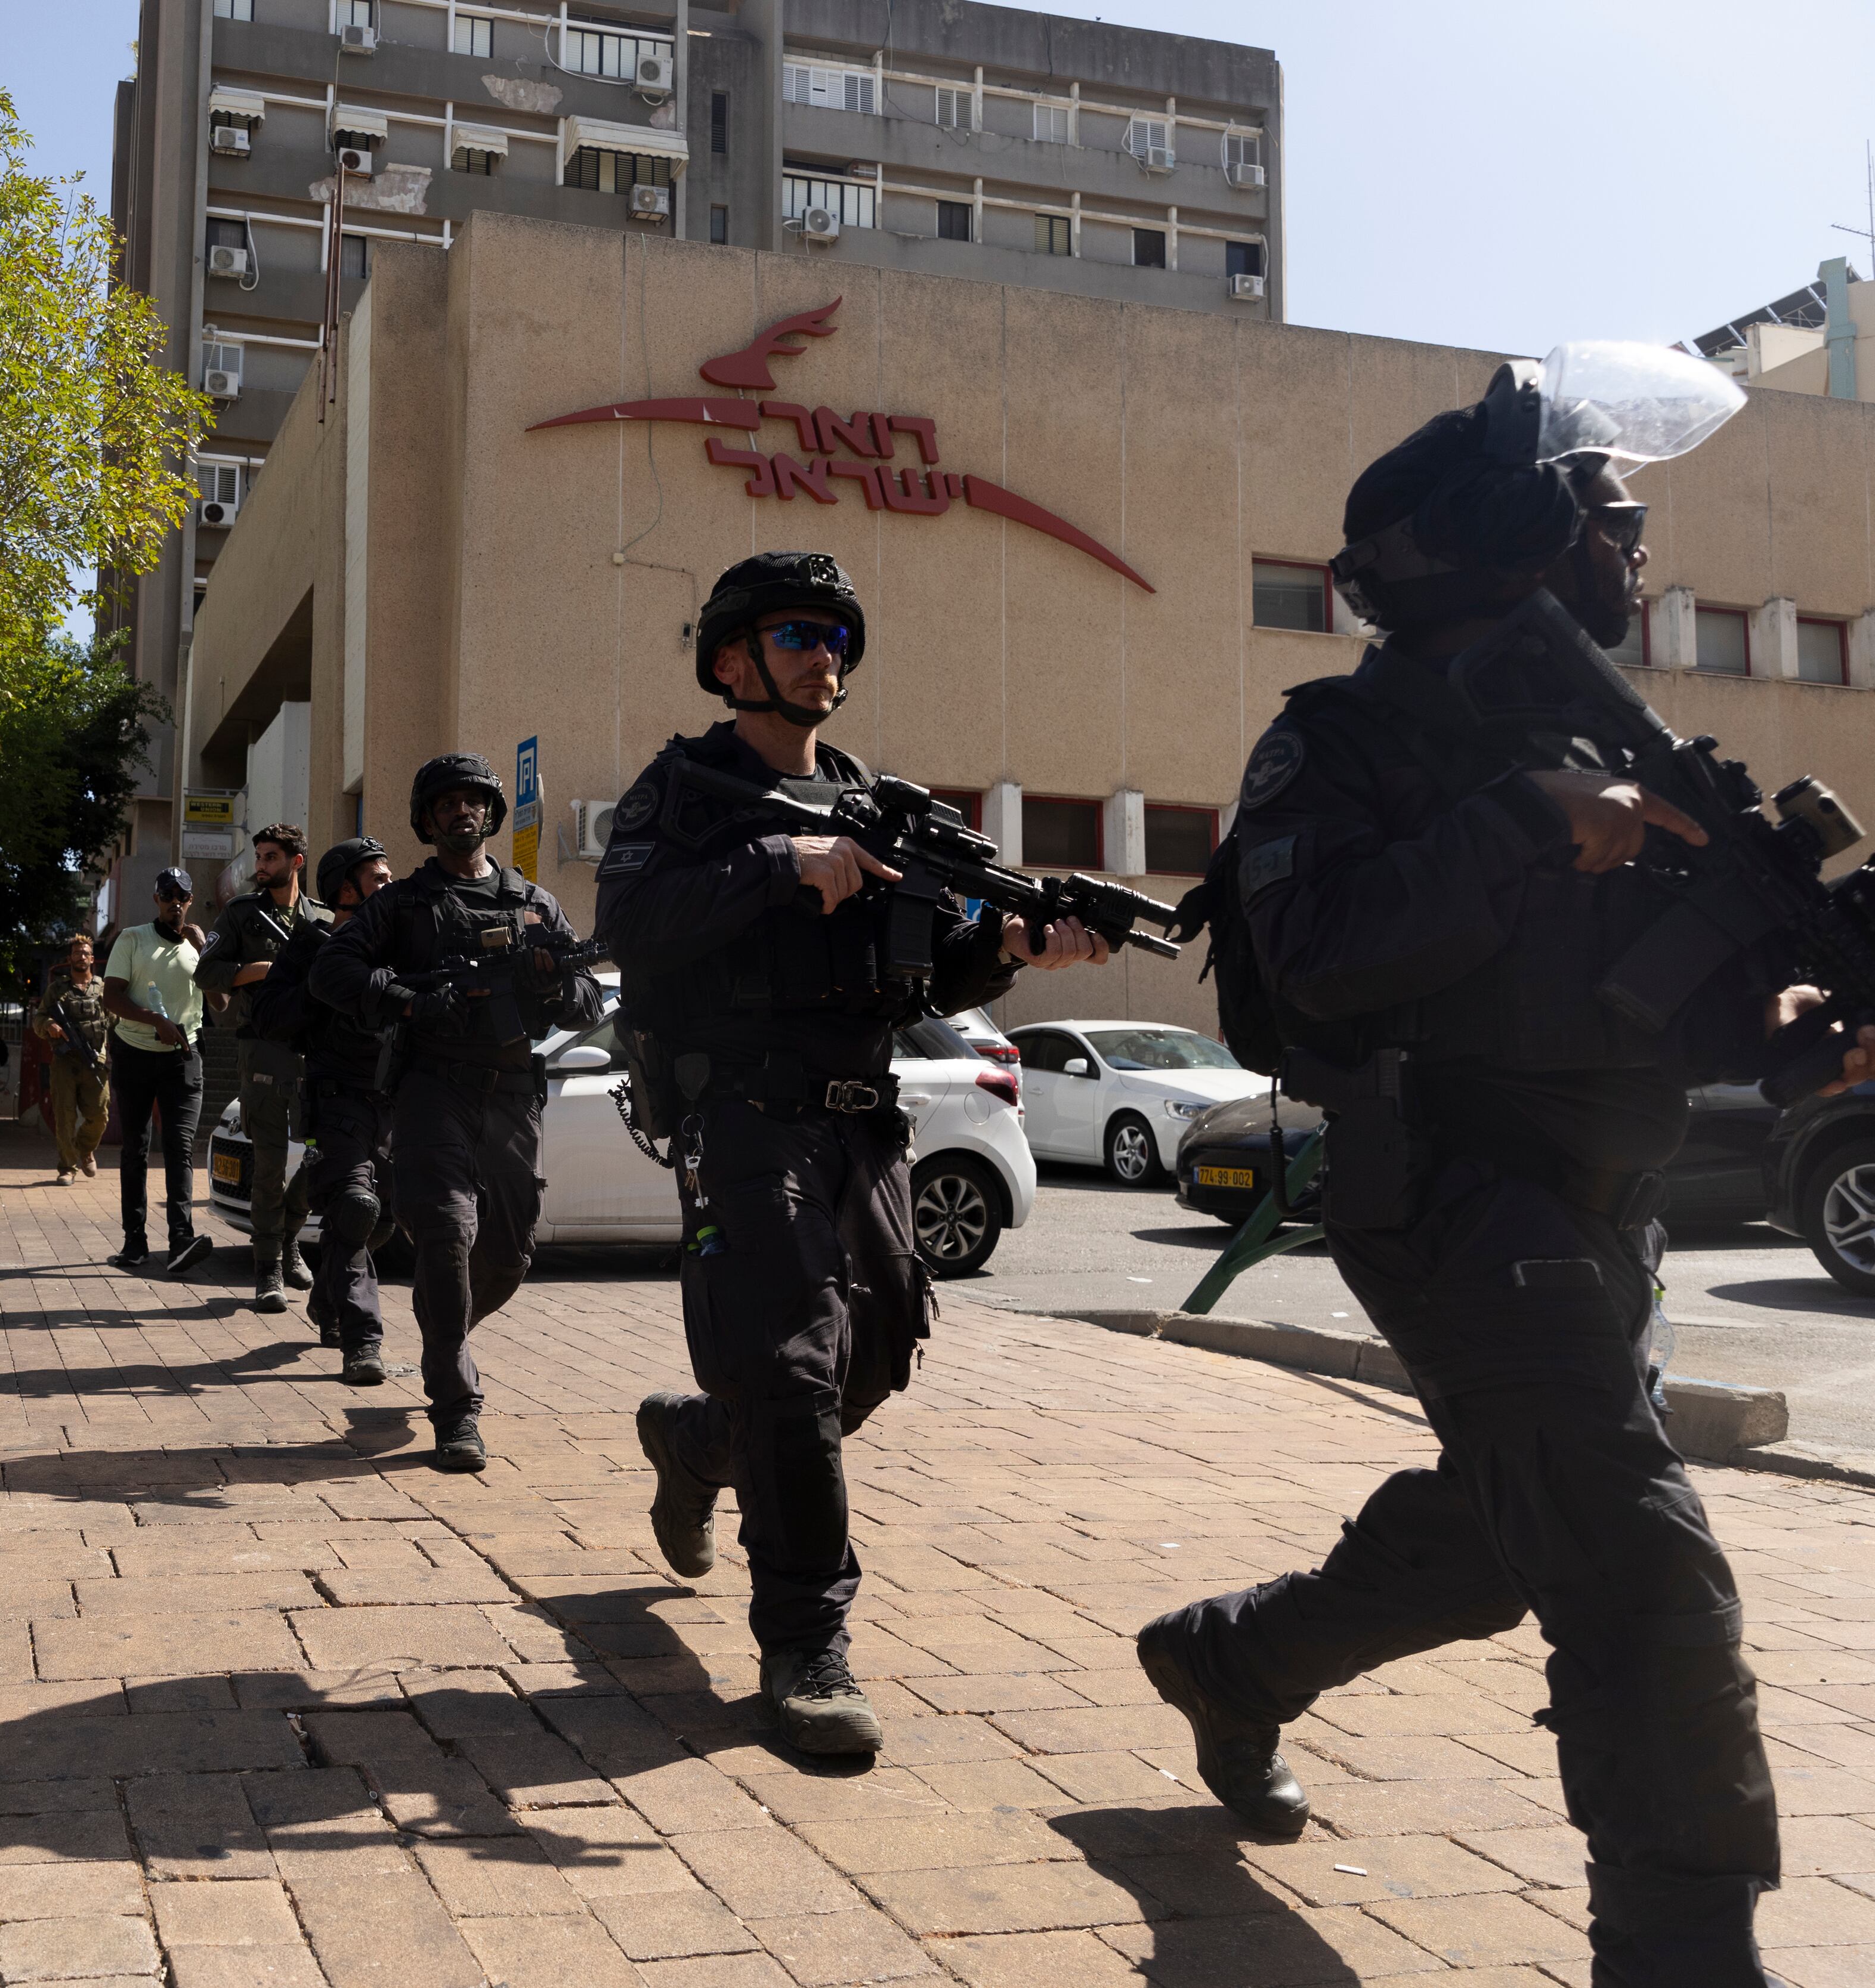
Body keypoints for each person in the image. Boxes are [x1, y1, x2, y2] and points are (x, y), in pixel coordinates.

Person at [1137, 353, 1875, 1984]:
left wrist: (1794, 1032)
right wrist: (1526, 821)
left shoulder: (1630, 746)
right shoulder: (1340, 741)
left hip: (1607, 1203)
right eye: (1616, 519)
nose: (1640, 552)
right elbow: (1316, 952)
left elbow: (1662, 1004)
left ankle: (1232, 1661)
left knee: (1504, 1529)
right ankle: (1683, 1946)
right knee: (1637, 1563)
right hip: (1452, 1185)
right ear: (1523, 543)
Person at [601, 551, 1107, 1755]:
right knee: (789, 1362)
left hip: (861, 1115)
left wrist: (1021, 949)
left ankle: (696, 1442)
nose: (823, 654)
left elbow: (931, 965)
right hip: (741, 1112)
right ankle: (805, 1644)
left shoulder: (883, 807)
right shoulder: (687, 791)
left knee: (868, 1361)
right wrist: (781, 864)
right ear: (732, 659)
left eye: (836, 636)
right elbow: (630, 921)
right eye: (794, 634)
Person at [311, 757, 603, 1471]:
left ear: (491, 815)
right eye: (445, 804)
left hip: (509, 1095)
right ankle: (455, 1408)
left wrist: (554, 987)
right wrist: (409, 1000)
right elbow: (330, 972)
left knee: (505, 1253)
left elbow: (589, 1001)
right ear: (426, 819)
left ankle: (445, 1329)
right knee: (444, 1232)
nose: (460, 813)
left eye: (472, 802)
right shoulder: (402, 906)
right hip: (430, 1090)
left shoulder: (533, 903)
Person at [254, 837, 396, 1379]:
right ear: (344, 889)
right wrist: (322, 982)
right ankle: (363, 1341)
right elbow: (269, 1016)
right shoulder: (310, 944)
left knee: (382, 1219)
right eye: (378, 878)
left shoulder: (399, 940)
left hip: (398, 1101)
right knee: (356, 1208)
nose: (390, 885)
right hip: (337, 1101)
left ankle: (327, 1299)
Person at [196, 824, 328, 1312]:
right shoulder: (241, 914)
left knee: (321, 1155)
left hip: (315, 1055)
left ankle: (291, 1235)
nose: (261, 866)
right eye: (259, 857)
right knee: (269, 1164)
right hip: (264, 1053)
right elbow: (206, 970)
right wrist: (257, 971)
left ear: (296, 861)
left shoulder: (322, 917)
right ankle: (267, 1267)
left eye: (271, 857)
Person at [104, 869, 213, 1275]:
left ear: (190, 898)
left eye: (182, 895)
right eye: (168, 894)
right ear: (156, 898)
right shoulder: (133, 939)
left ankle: (181, 1239)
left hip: (183, 1059)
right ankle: (135, 1243)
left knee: (180, 1146)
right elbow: (111, 995)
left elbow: (219, 1002)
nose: (175, 901)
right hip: (134, 1055)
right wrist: (153, 1020)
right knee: (135, 1148)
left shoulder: (196, 946)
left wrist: (206, 953)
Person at [33, 933, 113, 1182]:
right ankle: (67, 1168)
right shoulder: (57, 990)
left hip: (95, 1061)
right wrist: (48, 1025)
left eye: (85, 953)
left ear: (92, 958)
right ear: (70, 958)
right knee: (65, 1116)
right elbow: (38, 1018)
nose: (81, 956)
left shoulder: (103, 988)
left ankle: (85, 1149)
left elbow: (116, 1019)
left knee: (100, 1115)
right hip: (65, 1062)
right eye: (77, 953)